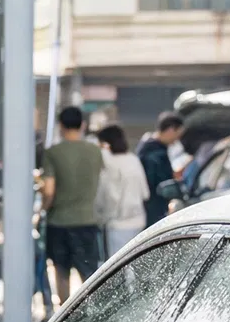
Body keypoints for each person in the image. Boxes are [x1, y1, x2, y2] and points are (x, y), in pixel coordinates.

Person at [40, 104, 104, 306]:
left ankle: (64, 313)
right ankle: (93, 312)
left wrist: (44, 207)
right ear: (83, 125)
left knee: (61, 270)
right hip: (87, 219)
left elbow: (49, 190)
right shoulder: (95, 152)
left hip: (59, 221)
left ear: (60, 126)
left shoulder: (53, 153)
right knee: (89, 272)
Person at [95, 124, 148, 256]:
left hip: (117, 223)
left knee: (118, 266)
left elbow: (106, 195)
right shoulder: (133, 159)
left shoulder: (108, 163)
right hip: (138, 220)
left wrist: (99, 217)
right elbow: (145, 193)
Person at [135, 112, 182, 226]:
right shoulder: (155, 153)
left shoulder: (148, 146)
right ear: (171, 130)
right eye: (178, 134)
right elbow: (161, 183)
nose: (176, 140)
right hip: (154, 208)